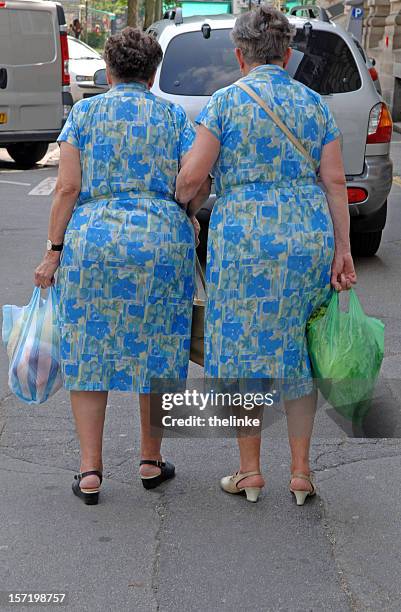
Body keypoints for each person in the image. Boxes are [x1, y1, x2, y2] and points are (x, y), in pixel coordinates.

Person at [176, 6, 356, 505]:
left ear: (239, 55)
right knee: (300, 350)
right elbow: (336, 181)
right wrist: (343, 250)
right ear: (289, 53)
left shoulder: (225, 104)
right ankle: (300, 473)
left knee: (241, 352)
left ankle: (250, 472)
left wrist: (181, 200)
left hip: (243, 244)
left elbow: (193, 177)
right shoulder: (313, 104)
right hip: (307, 237)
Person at [34, 28, 209, 505]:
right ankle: (150, 461)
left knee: (90, 353)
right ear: (153, 74)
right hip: (160, 243)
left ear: (108, 71)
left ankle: (90, 471)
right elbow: (195, 178)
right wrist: (186, 217)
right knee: (159, 350)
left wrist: (54, 248)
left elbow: (67, 188)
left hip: (93, 242)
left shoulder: (85, 114)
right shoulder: (171, 115)